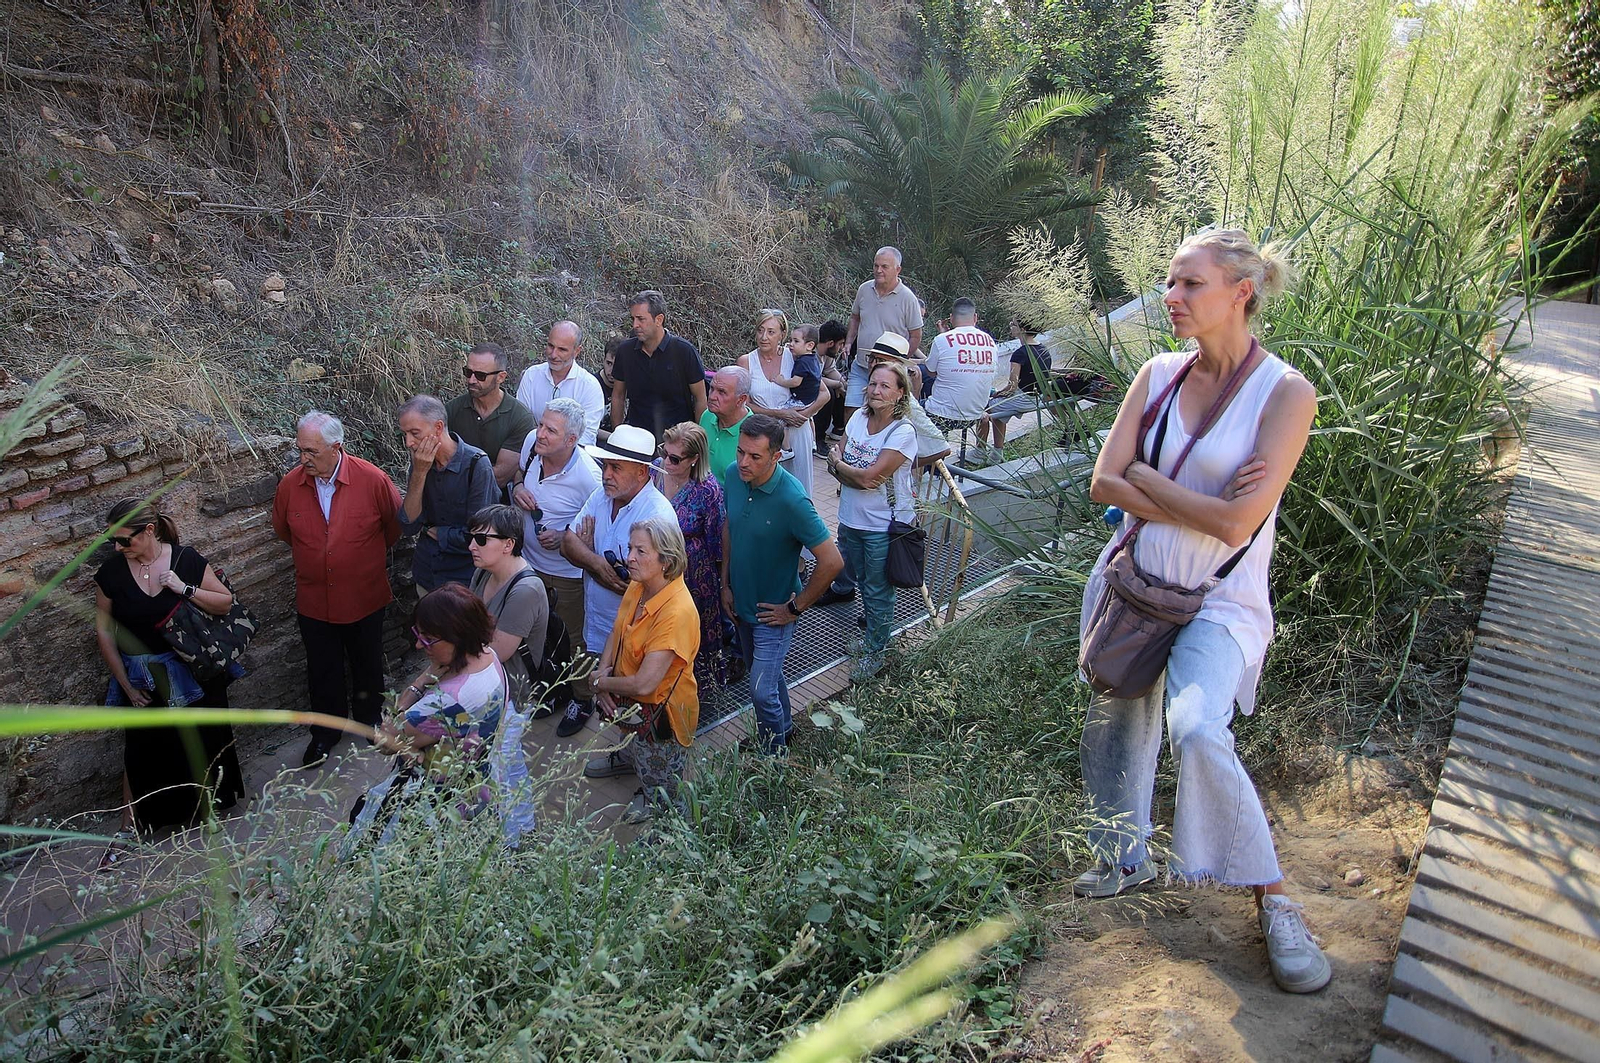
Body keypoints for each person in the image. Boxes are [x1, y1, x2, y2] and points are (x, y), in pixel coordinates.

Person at [1078, 229, 1326, 994]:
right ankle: (1123, 856)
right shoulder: (1157, 374)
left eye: (1190, 283)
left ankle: (1274, 897)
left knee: (1194, 725)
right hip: (1135, 580)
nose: (1171, 296)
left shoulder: (1285, 393)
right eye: (1170, 281)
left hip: (1222, 599)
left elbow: (1236, 525)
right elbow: (1103, 483)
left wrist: (1149, 480)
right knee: (1116, 719)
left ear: (1241, 291)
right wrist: (1199, 500)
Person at [93, 499, 246, 842]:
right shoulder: (111, 574)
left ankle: (206, 809)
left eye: (124, 540)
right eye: (112, 541)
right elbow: (104, 631)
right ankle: (130, 824)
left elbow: (224, 602)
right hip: (144, 677)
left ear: (149, 530)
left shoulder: (185, 560)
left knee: (203, 742)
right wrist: (125, 684)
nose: (117, 547)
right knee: (142, 748)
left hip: (193, 673)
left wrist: (183, 588)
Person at [272, 410, 403, 769]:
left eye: (312, 451)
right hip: (314, 598)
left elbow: (393, 527)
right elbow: (283, 529)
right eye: (301, 450)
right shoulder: (291, 485)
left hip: (364, 595)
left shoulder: (372, 479)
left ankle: (369, 720)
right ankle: (325, 733)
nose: (304, 459)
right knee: (322, 668)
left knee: (367, 662)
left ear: (336, 447)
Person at [721, 414, 844, 752]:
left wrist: (794, 608)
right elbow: (730, 527)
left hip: (772, 614)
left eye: (755, 456)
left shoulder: (793, 500)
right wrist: (724, 584)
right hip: (740, 603)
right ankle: (784, 729)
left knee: (761, 691)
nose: (743, 462)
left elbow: (832, 561)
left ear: (777, 456)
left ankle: (773, 756)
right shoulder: (733, 476)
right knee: (769, 679)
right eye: (740, 452)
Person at [558, 424, 679, 738]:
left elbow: (654, 588)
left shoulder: (658, 516)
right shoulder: (601, 496)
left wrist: (586, 553)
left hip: (635, 639)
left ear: (641, 472)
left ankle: (627, 751)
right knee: (605, 695)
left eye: (615, 467)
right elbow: (568, 544)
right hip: (598, 623)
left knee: (632, 708)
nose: (606, 474)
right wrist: (598, 564)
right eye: (605, 466)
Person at [583, 518, 701, 824]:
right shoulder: (640, 585)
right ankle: (629, 758)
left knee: (661, 775)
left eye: (641, 551)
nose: (629, 558)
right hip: (630, 700)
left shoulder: (675, 613)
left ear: (667, 561)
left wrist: (601, 683)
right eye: (630, 548)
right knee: (632, 737)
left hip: (661, 715)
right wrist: (603, 675)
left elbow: (645, 685)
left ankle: (657, 803)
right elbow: (617, 631)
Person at [824, 360, 918, 682]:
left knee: (878, 590)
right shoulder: (859, 418)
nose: (876, 390)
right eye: (873, 384)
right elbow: (836, 461)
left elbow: (869, 479)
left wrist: (842, 468)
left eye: (885, 386)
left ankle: (877, 650)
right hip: (850, 518)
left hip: (882, 525)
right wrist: (847, 470)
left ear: (900, 393)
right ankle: (871, 640)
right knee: (864, 582)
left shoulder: (902, 431)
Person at [384, 583, 509, 775]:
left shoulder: (448, 700)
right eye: (418, 634)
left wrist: (420, 682)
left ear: (458, 637)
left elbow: (385, 740)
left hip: (441, 788)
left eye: (428, 639)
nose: (418, 645)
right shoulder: (488, 654)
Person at [513, 398, 601, 657]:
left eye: (551, 430)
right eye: (541, 425)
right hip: (526, 565)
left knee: (570, 640)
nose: (540, 434)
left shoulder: (589, 477)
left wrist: (564, 537)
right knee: (527, 633)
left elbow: (603, 527)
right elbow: (519, 472)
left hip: (566, 577)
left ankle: (576, 685)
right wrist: (518, 488)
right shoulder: (532, 443)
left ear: (571, 440)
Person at [397, 394, 500, 593]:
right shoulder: (419, 462)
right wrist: (419, 473)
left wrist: (442, 533)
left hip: (464, 579)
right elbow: (409, 525)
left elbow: (480, 534)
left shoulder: (476, 464)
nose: (408, 442)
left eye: (415, 433)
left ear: (438, 427)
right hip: (427, 573)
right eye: (405, 434)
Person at [656, 422, 726, 688]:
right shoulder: (655, 472)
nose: (666, 461)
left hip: (694, 575)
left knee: (693, 631)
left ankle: (702, 688)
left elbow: (717, 540)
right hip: (655, 568)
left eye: (675, 459)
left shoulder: (707, 489)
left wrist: (722, 582)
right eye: (664, 452)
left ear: (695, 459)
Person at [740, 309, 828, 503]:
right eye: (760, 330)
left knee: (798, 493)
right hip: (762, 436)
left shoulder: (795, 356)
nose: (764, 337)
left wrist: (802, 416)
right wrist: (779, 414)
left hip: (796, 433)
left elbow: (824, 393)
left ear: (782, 334)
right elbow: (743, 405)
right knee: (764, 496)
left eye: (771, 332)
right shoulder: (746, 361)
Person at [467, 504, 549, 703]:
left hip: (509, 696)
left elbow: (495, 655)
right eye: (470, 537)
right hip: (480, 682)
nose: (471, 546)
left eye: (481, 539)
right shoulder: (483, 572)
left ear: (508, 545)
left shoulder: (526, 590)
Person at [611, 290, 708, 440]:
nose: (635, 325)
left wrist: (696, 440)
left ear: (659, 319)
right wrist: (617, 434)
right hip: (636, 438)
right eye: (633, 319)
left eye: (641, 319)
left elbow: (700, 398)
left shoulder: (684, 351)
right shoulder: (625, 351)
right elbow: (618, 396)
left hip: (676, 440)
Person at [842, 247, 923, 422]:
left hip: (889, 371)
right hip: (862, 364)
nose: (879, 270)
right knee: (851, 411)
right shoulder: (864, 289)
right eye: (876, 265)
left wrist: (900, 361)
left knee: (885, 414)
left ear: (898, 269)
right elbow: (855, 317)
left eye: (884, 266)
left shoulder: (908, 298)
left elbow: (915, 335)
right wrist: (849, 342)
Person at [446, 342, 536, 490]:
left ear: (501, 377)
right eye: (468, 372)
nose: (471, 380)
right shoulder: (452, 409)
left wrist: (455, 472)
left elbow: (499, 477)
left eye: (480, 375)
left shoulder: (520, 418)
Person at [515, 321, 607, 447]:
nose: (553, 354)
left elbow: (585, 439)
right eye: (550, 346)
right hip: (533, 450)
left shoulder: (590, 387)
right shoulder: (532, 376)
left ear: (577, 351)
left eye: (562, 349)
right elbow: (520, 425)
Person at [976, 318, 1051, 462]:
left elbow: (1012, 387)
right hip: (1037, 397)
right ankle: (997, 453)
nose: (1011, 326)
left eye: (1013, 324)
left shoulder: (1020, 353)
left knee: (985, 409)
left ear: (1022, 329)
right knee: (998, 409)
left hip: (1022, 399)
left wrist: (996, 394)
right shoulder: (1044, 349)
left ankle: (979, 452)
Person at [923, 298, 998, 431]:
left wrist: (944, 335)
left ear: (951, 318)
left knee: (913, 409)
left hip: (940, 415)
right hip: (975, 416)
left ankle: (937, 443)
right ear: (975, 317)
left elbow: (931, 372)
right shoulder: (990, 341)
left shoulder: (941, 340)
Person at [699, 365, 751, 488]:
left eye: (722, 392)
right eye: (712, 388)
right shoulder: (707, 416)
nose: (712, 397)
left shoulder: (753, 434)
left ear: (741, 399)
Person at [813, 319, 849, 450]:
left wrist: (844, 384)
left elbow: (830, 370)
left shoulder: (827, 354)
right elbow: (815, 379)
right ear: (830, 343)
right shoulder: (811, 352)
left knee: (843, 388)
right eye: (840, 344)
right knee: (829, 392)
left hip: (818, 384)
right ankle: (818, 438)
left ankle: (839, 428)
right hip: (806, 390)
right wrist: (837, 384)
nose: (841, 349)